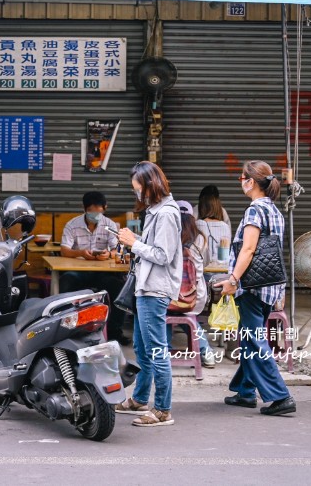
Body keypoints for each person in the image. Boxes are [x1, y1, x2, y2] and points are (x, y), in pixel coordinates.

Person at [215, 160, 296, 416]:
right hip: (268, 285)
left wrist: (233, 280)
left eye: (242, 178)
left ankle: (281, 396)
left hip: (251, 287)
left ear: (251, 182)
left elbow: (249, 249)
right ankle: (245, 391)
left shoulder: (254, 210)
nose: (240, 182)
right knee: (250, 338)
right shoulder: (274, 210)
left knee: (252, 338)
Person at [115, 161, 181, 427]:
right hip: (146, 286)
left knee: (156, 351)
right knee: (142, 347)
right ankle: (140, 398)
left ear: (150, 185)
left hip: (155, 289)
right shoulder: (156, 211)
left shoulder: (166, 213)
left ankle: (163, 409)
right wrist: (135, 242)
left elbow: (163, 255)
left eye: (138, 188)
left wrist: (135, 243)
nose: (137, 194)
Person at [59, 191, 128, 345]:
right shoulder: (72, 225)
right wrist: (81, 253)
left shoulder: (109, 225)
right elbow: (64, 250)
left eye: (99, 211)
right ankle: (68, 330)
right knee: (66, 281)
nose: (95, 215)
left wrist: (109, 254)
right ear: (84, 209)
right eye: (91, 211)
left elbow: (118, 250)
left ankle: (114, 332)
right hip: (78, 273)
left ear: (105, 208)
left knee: (119, 288)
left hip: (103, 273)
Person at [168, 201, 216, 369]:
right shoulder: (201, 238)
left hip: (172, 295)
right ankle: (206, 353)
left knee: (163, 312)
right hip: (195, 294)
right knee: (187, 316)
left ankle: (164, 350)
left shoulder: (168, 236)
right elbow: (208, 261)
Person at [195, 185, 232, 266]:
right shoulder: (225, 227)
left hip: (201, 272)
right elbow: (224, 258)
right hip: (220, 272)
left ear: (201, 207)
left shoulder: (196, 225)